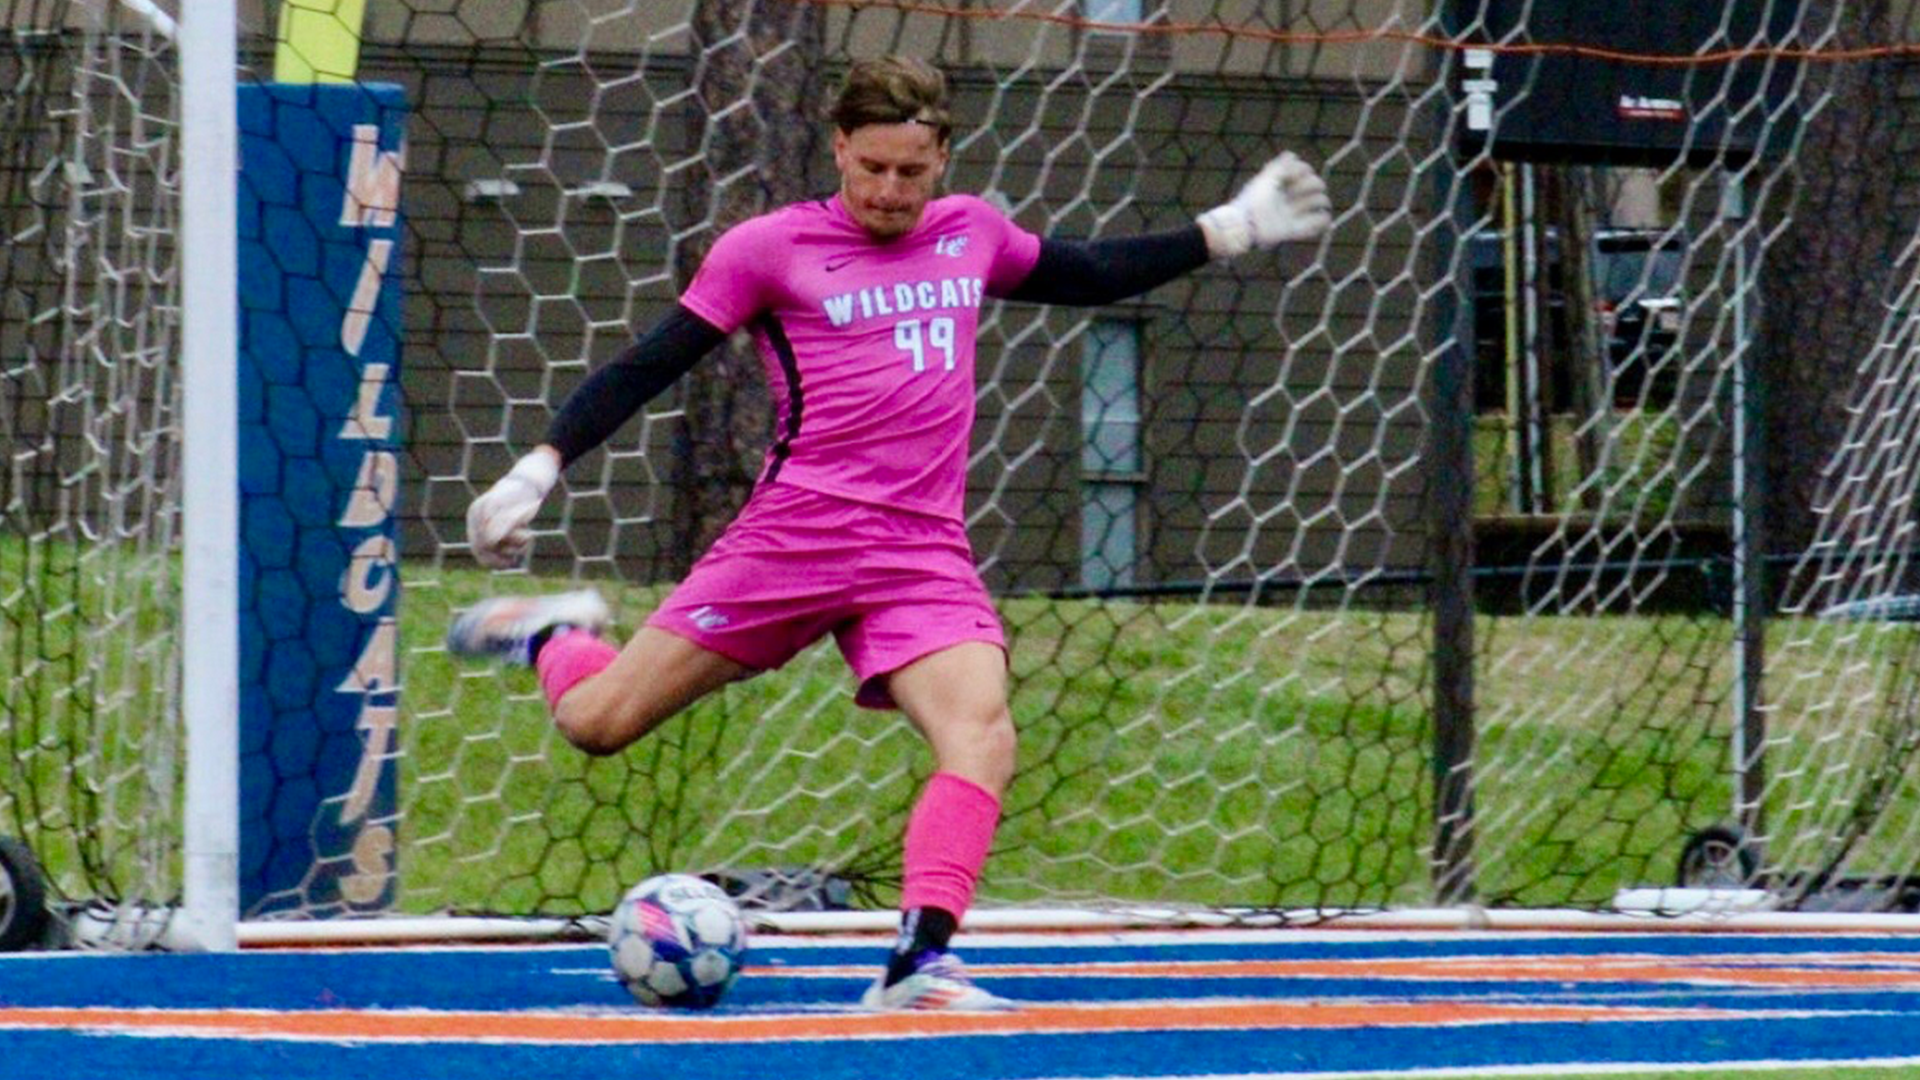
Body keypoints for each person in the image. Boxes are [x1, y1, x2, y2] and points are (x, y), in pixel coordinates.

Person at [448, 55, 1332, 1012]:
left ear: (942, 157)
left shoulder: (971, 232)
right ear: (838, 148)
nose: (887, 190)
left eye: (910, 171)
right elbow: (650, 363)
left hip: (919, 554)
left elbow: (1086, 272)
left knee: (981, 734)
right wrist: (540, 467)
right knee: (598, 724)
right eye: (870, 167)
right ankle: (553, 634)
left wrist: (1229, 229)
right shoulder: (767, 248)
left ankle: (919, 965)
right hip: (795, 538)